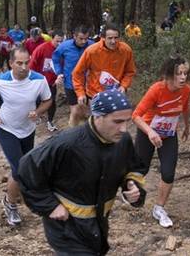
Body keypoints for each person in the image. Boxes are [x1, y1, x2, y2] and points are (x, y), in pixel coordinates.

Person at [18, 89, 147, 255]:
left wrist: (132, 185)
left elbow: (133, 167)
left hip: (98, 223)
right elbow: (28, 167)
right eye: (117, 121)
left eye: (127, 121)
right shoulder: (68, 143)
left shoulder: (123, 141)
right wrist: (50, 206)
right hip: (67, 227)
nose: (123, 128)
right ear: (98, 116)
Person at [0, 47, 52, 226]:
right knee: (20, 170)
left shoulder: (39, 80)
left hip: (28, 129)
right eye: (19, 63)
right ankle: (10, 205)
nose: (24, 67)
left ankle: (14, 197)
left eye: (27, 63)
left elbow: (48, 100)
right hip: (6, 128)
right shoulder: (0, 80)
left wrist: (38, 111)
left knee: (20, 170)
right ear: (11, 63)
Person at [132, 55, 190, 228]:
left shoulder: (186, 90)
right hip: (147, 132)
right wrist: (150, 132)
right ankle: (128, 188)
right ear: (168, 75)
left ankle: (159, 208)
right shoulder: (157, 89)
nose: (182, 77)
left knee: (168, 172)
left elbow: (185, 108)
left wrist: (187, 127)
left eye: (185, 73)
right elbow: (135, 115)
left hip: (168, 135)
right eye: (178, 74)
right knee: (141, 170)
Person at [73, 23, 136, 110]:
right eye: (110, 38)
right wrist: (80, 93)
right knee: (98, 122)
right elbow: (77, 73)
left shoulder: (125, 50)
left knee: (115, 121)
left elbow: (130, 71)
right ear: (102, 38)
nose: (113, 41)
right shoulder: (92, 51)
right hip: (95, 94)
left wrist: (124, 86)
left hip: (117, 93)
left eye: (116, 38)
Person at [52, 25, 94, 127]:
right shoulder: (64, 46)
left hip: (89, 83)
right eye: (81, 38)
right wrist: (59, 72)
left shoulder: (92, 46)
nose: (84, 41)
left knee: (90, 111)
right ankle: (73, 133)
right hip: (71, 84)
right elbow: (55, 59)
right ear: (74, 36)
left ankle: (90, 133)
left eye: (86, 38)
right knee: (75, 111)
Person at [29, 29, 64, 132]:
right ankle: (36, 115)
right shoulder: (42, 48)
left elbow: (65, 65)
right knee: (38, 100)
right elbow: (32, 64)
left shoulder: (63, 50)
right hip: (39, 80)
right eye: (57, 41)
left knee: (51, 101)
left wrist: (60, 76)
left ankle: (50, 121)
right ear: (52, 38)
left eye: (61, 41)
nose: (59, 43)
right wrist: (33, 79)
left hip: (52, 81)